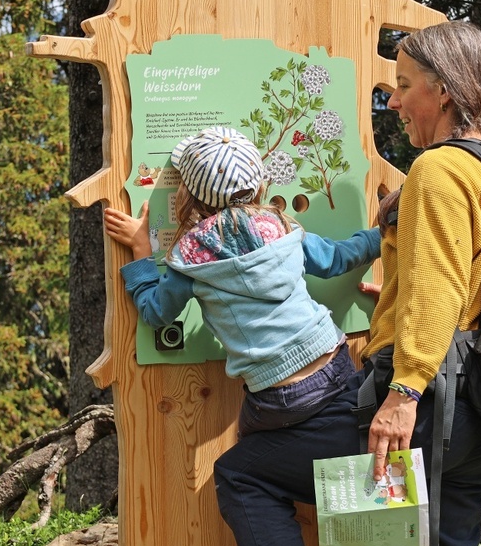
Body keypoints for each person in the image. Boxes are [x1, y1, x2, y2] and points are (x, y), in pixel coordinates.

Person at [212, 21, 481, 546]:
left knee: (244, 473)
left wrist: (402, 393)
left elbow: (439, 284)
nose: (392, 101)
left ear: (442, 90)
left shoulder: (439, 169)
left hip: (429, 404)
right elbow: (472, 271)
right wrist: (396, 298)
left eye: (403, 84)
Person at [104, 125, 380, 437]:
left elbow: (156, 313)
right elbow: (335, 259)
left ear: (189, 196)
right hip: (334, 360)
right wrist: (383, 235)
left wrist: (142, 250)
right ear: (260, 186)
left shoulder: (191, 256)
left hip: (278, 394)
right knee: (334, 450)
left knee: (245, 467)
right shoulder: (281, 226)